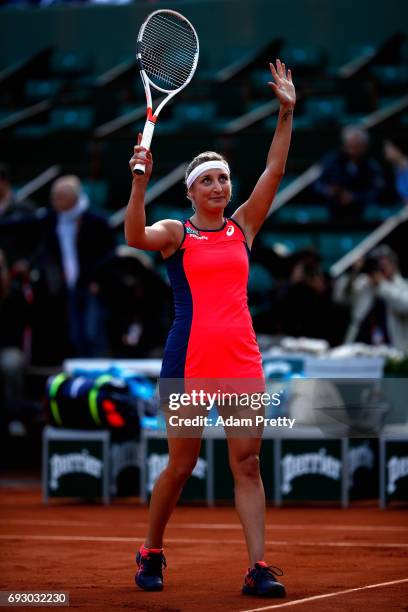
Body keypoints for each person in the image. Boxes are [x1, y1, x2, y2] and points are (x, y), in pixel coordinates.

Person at [125, 60, 295, 599]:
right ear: (192, 191)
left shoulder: (244, 227)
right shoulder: (176, 233)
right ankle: (151, 550)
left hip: (241, 361)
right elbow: (134, 236)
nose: (220, 186)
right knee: (182, 464)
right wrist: (139, 185)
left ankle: (258, 567)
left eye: (224, 178)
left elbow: (274, 170)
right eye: (209, 181)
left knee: (247, 463)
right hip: (187, 362)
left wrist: (286, 113)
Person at [31, 175, 116, 364]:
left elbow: (109, 254)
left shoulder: (96, 220)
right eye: (54, 197)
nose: (55, 201)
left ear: (74, 197)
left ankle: (98, 373)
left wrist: (98, 280)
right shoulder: (51, 220)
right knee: (75, 334)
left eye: (60, 197)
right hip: (67, 285)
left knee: (93, 332)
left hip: (92, 286)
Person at [333, 245, 408, 351]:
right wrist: (354, 272)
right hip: (362, 345)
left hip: (394, 348)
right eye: (378, 267)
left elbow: (405, 305)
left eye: (383, 266)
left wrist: (381, 284)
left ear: (393, 265)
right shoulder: (365, 283)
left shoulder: (402, 285)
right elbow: (340, 298)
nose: (380, 271)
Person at [313, 126, 384, 219]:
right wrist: (329, 190)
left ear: (364, 145)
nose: (353, 147)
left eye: (357, 144)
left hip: (361, 211)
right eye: (350, 143)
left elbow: (376, 191)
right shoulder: (331, 161)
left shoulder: (372, 166)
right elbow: (317, 184)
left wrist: (354, 197)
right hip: (333, 209)